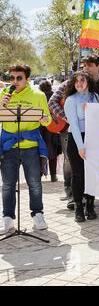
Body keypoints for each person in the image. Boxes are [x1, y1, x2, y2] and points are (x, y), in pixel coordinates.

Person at [49, 54, 99, 210]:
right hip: (73, 134)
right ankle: (74, 199)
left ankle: (92, 202)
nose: (85, 68)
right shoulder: (70, 85)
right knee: (73, 168)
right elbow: (53, 101)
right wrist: (67, 117)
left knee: (92, 171)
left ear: (97, 66)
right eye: (83, 65)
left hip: (93, 136)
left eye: (88, 65)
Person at [0, 65, 51, 234]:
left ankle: (37, 215)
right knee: (7, 184)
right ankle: (8, 218)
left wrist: (44, 118)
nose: (14, 81)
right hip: (9, 146)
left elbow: (47, 121)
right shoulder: (4, 94)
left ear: (27, 79)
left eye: (19, 78)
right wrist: (2, 104)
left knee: (34, 183)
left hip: (30, 146)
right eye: (12, 78)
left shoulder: (38, 95)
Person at [64, 71, 99, 222]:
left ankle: (90, 206)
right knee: (78, 175)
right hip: (77, 139)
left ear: (87, 81)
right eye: (76, 81)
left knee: (92, 174)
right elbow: (75, 125)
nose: (79, 83)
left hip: (93, 139)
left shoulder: (95, 97)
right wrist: (81, 146)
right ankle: (79, 208)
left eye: (82, 80)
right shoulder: (70, 100)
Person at [39, 80, 62, 182]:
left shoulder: (39, 97)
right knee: (53, 152)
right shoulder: (55, 97)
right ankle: (53, 175)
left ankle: (39, 175)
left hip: (40, 127)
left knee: (40, 151)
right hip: (54, 127)